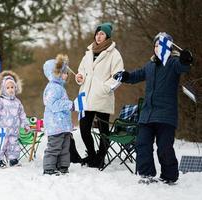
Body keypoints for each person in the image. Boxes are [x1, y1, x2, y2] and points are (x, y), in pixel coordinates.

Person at [113, 32, 193, 184]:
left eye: (160, 45)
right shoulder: (150, 65)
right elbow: (136, 76)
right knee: (142, 144)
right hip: (147, 114)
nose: (157, 48)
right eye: (155, 45)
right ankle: (146, 174)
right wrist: (125, 76)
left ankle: (169, 176)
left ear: (169, 47)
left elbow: (184, 66)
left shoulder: (173, 62)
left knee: (164, 148)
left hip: (166, 115)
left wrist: (186, 59)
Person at [75, 22, 124, 168]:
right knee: (84, 128)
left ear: (107, 36)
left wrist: (105, 88)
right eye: (97, 33)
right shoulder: (88, 52)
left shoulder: (114, 54)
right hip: (86, 96)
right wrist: (80, 77)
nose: (98, 36)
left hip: (102, 96)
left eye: (102, 33)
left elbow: (118, 75)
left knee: (103, 131)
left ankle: (100, 157)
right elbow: (82, 70)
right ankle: (92, 155)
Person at [0, 70, 30, 168]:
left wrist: (25, 124)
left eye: (12, 87)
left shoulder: (17, 102)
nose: (10, 89)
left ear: (15, 88)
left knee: (13, 144)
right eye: (8, 88)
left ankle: (13, 159)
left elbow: (22, 115)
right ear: (3, 89)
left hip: (13, 129)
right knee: (0, 144)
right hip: (1, 129)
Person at [42, 54, 74, 175]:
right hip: (55, 124)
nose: (66, 75)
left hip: (63, 124)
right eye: (64, 72)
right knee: (54, 147)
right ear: (56, 73)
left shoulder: (60, 87)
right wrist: (70, 105)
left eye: (66, 72)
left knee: (65, 147)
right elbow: (53, 104)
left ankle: (63, 166)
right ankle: (49, 167)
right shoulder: (52, 88)